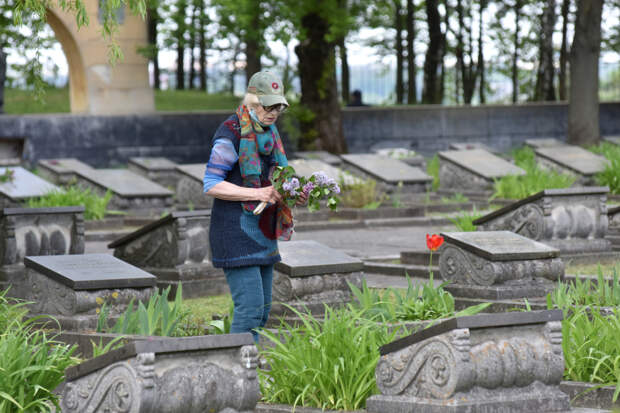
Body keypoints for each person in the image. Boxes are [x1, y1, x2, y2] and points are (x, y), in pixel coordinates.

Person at [203, 70, 304, 342]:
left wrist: (294, 192)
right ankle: (239, 374)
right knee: (249, 312)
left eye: (278, 107)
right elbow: (211, 183)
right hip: (234, 233)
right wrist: (258, 193)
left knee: (262, 313)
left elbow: (276, 179)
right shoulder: (230, 133)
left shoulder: (270, 135)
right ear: (251, 101)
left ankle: (252, 374)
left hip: (263, 234)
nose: (273, 113)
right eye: (268, 106)